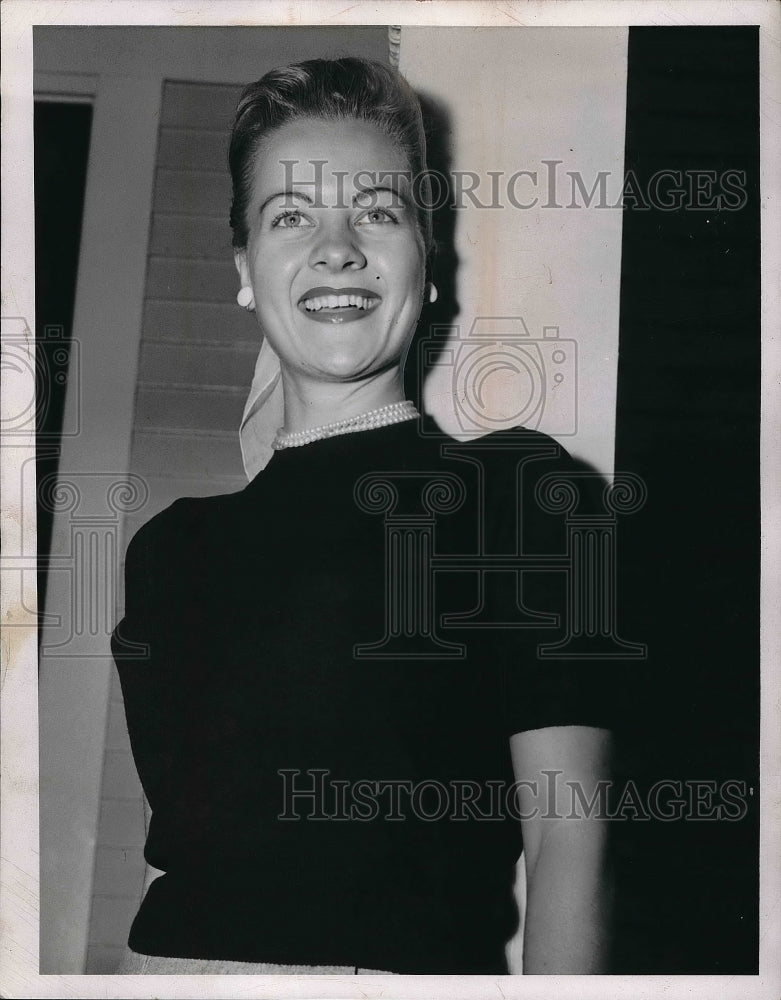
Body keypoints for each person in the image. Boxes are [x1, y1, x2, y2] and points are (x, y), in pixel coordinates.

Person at [112, 56, 614, 976]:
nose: (335, 246)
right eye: (290, 216)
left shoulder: (517, 492)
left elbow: (567, 841)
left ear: (427, 265)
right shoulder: (169, 549)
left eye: (376, 212)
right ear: (244, 268)